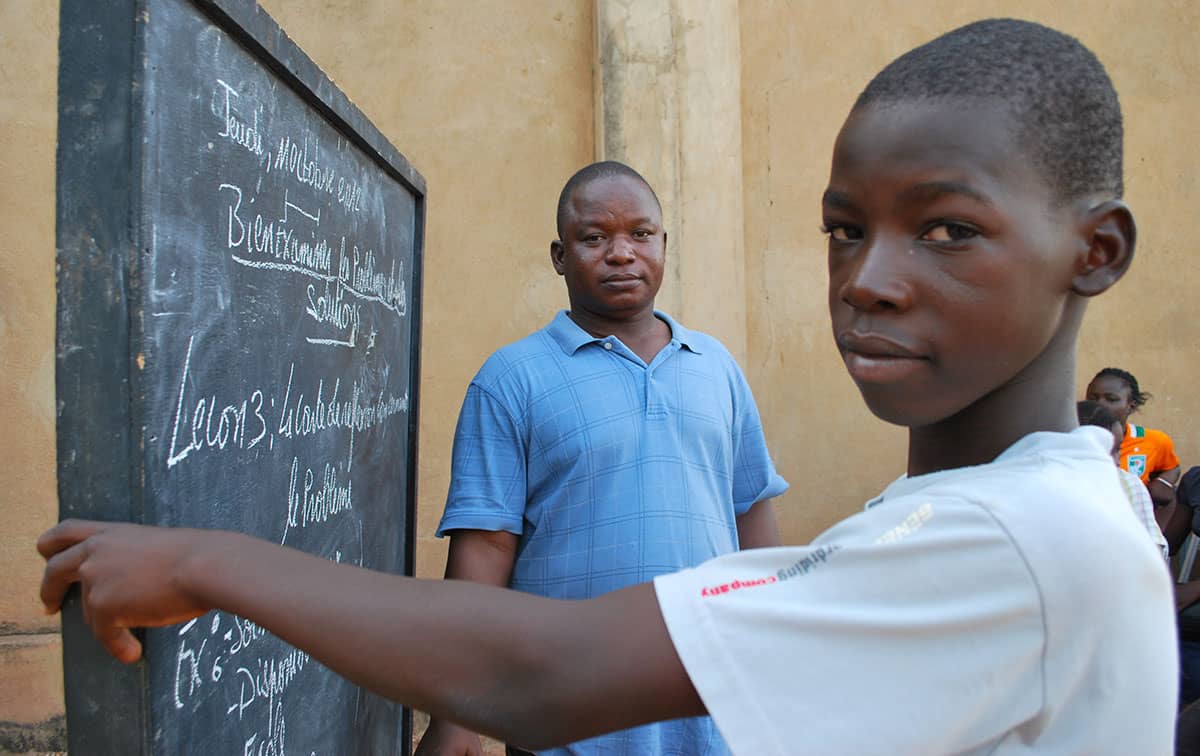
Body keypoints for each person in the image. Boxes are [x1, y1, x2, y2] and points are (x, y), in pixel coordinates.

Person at [38, 19, 1178, 754]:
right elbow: (511, 578)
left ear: (1096, 251)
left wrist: (199, 559)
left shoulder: (1005, 538)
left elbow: (553, 666)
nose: (868, 281)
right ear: (563, 255)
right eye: (842, 231)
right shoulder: (1024, 504)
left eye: (948, 229)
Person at [419, 161, 788, 756]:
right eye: (594, 238)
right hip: (566, 704)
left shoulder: (715, 368)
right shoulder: (512, 379)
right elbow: (484, 548)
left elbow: (750, 514)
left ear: (663, 245)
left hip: (708, 692)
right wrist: (456, 714)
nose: (621, 253)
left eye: (640, 234)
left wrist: (780, 647)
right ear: (560, 256)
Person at [1076, 399, 1169, 560]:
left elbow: (1153, 548)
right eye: (1108, 450)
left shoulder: (1128, 484)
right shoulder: (1049, 485)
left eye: (1118, 449)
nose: (1117, 460)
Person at [1085, 367, 1182, 509]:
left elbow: (1173, 467)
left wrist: (1163, 483)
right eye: (1093, 398)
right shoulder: (1075, 439)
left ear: (1131, 406)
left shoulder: (1153, 440)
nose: (1099, 404)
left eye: (1111, 399)